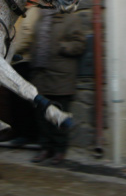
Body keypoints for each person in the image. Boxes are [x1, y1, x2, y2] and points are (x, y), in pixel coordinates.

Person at [29, 9, 86, 165]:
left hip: (61, 77)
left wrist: (62, 47)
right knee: (42, 115)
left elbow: (80, 44)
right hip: (41, 75)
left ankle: (60, 150)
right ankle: (45, 148)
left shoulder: (71, 19)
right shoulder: (40, 19)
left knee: (59, 114)